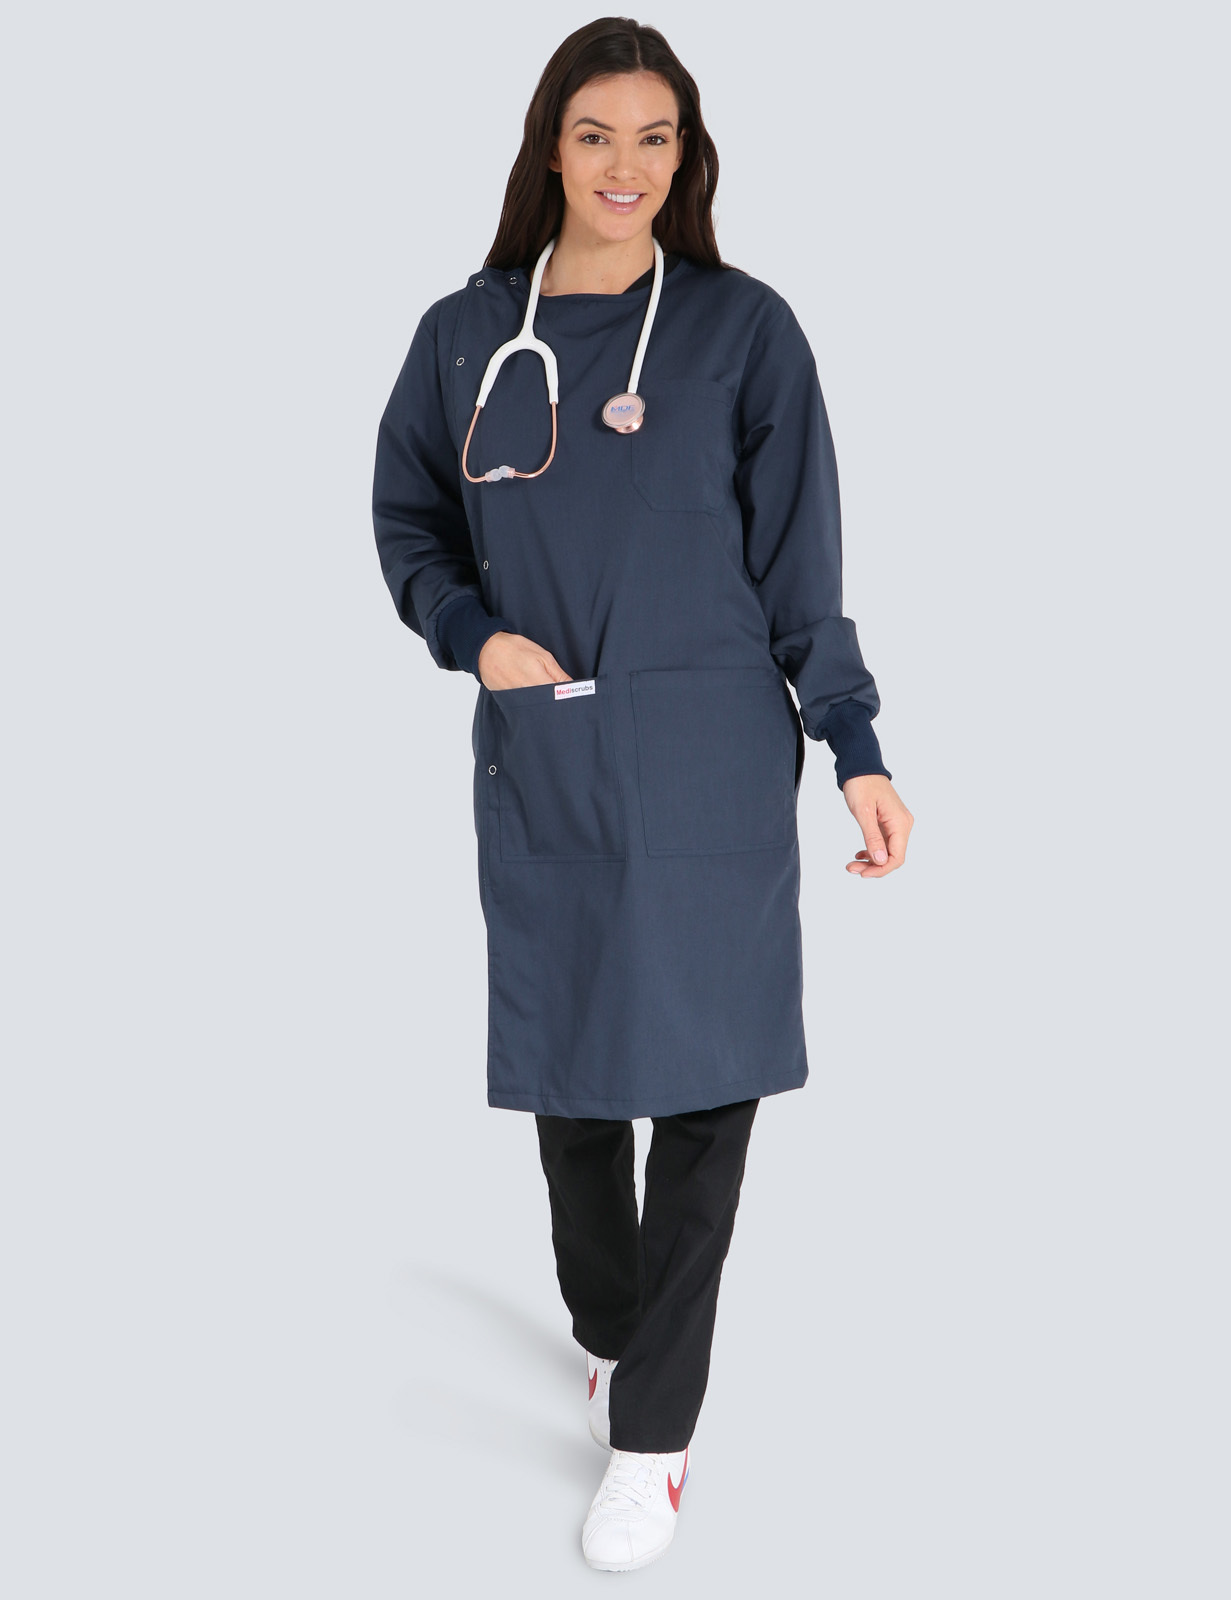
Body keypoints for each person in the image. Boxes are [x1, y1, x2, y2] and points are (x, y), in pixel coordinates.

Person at [371, 16, 913, 1573]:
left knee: (707, 1089)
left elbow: (802, 565)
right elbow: (409, 514)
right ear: (551, 148)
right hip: (551, 755)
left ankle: (654, 1442)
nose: (627, 166)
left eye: (656, 138)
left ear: (689, 157)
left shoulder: (744, 331)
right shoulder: (467, 333)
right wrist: (473, 636)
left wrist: (856, 746)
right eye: (597, 134)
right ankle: (611, 1328)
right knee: (573, 1075)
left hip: (713, 765)